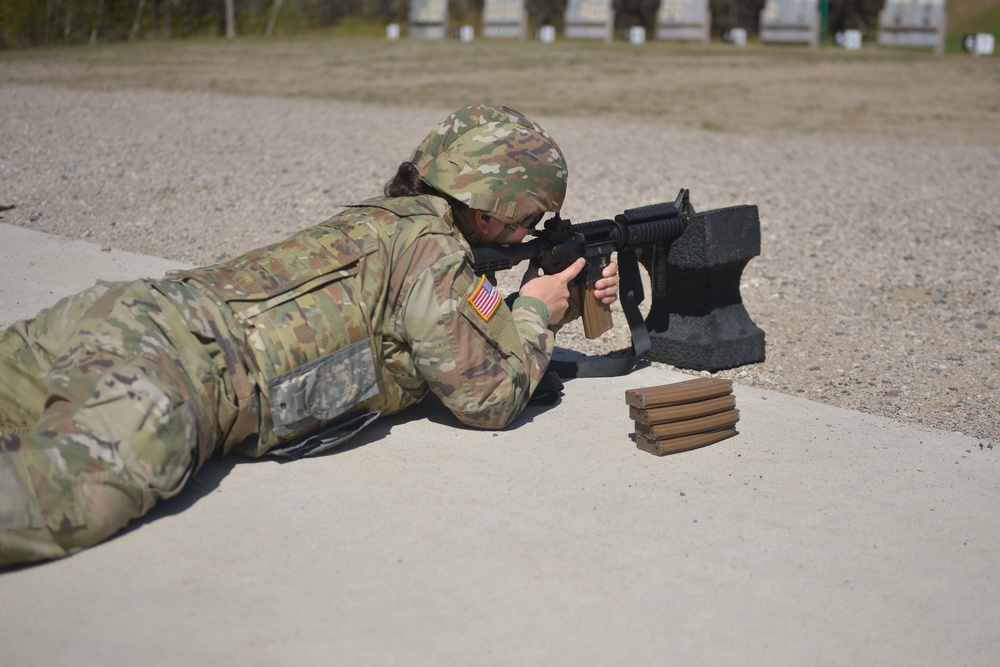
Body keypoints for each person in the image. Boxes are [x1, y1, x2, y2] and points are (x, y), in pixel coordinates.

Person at [0, 104, 619, 566]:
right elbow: (488, 400)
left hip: (132, 308)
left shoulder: (388, 221)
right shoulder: (435, 255)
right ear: (485, 210)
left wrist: (536, 303)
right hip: (180, 370)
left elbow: (450, 324)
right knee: (49, 503)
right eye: (526, 222)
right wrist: (536, 313)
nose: (524, 237)